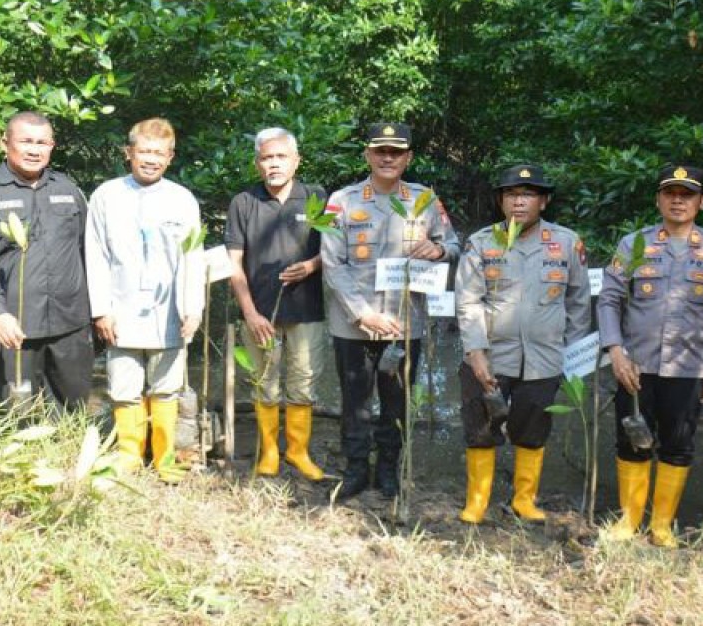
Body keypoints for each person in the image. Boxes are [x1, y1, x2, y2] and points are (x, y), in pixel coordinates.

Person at [598, 164, 703, 547]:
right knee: (631, 439)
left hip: (689, 367)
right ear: (659, 198)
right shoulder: (634, 245)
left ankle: (661, 525)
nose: (678, 200)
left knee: (678, 445)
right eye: (671, 193)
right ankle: (628, 521)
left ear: (702, 201)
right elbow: (609, 299)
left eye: (687, 194)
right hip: (636, 366)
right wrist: (615, 351)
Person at [321, 122, 460, 500]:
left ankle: (388, 472)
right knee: (355, 402)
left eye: (396, 152)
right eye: (380, 150)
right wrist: (363, 314)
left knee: (396, 403)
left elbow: (452, 244)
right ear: (367, 154)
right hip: (355, 325)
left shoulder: (425, 200)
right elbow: (333, 264)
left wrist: (439, 250)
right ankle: (354, 471)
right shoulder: (343, 200)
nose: (387, 157)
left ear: (408, 158)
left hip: (405, 323)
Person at [455, 164, 590, 523]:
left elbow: (578, 300)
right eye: (512, 194)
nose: (519, 202)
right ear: (501, 200)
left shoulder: (565, 242)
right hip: (490, 357)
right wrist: (476, 353)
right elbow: (468, 300)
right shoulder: (481, 242)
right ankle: (477, 501)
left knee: (532, 429)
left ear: (543, 201)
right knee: (481, 427)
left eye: (528, 195)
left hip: (545, 359)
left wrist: (573, 357)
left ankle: (524, 499)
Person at [86, 117, 204, 480]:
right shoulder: (106, 195)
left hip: (169, 314)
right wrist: (101, 309)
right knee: (124, 386)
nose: (151, 159)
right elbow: (95, 254)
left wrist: (192, 307)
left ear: (170, 157)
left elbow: (193, 257)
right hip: (120, 311)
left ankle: (165, 458)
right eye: (144, 152)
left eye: (159, 153)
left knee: (166, 387)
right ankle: (129, 456)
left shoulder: (181, 199)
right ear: (129, 153)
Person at [0, 111, 93, 408]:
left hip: (70, 324)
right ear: (5, 143)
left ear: (52, 146)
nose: (34, 150)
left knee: (75, 410)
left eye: (42, 142)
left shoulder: (68, 190)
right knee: (18, 415)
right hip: (14, 327)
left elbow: (87, 252)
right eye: (26, 141)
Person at [227, 127, 327, 481]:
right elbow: (234, 264)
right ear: (257, 164)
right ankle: (269, 452)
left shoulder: (315, 197)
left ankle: (298, 451)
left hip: (307, 310)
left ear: (296, 161)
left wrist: (313, 265)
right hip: (260, 314)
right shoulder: (244, 202)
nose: (274, 164)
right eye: (267, 157)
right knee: (263, 383)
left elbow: (336, 252)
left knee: (303, 382)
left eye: (281, 157)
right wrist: (250, 313)